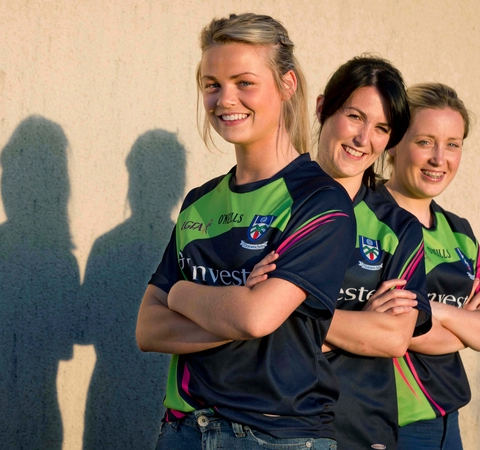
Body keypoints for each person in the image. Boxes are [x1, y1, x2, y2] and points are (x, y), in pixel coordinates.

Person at [135, 13, 356, 449]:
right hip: (182, 429)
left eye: (244, 82)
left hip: (275, 435)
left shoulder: (320, 201)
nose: (225, 99)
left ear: (287, 84)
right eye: (212, 84)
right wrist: (233, 307)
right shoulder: (199, 201)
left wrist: (181, 295)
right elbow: (148, 328)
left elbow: (256, 317)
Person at [249, 56, 433, 450]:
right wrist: (357, 323)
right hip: (271, 429)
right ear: (321, 108)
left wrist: (283, 315)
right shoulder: (270, 202)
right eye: (354, 116)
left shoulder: (398, 229)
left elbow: (393, 338)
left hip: (363, 429)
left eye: (381, 128)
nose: (363, 139)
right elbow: (243, 325)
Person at [379, 83, 480, 449]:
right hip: (383, 426)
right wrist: (467, 323)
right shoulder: (362, 217)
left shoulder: (458, 232)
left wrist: (434, 311)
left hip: (446, 426)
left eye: (453, 144)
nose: (440, 158)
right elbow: (391, 331)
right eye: (425, 141)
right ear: (393, 144)